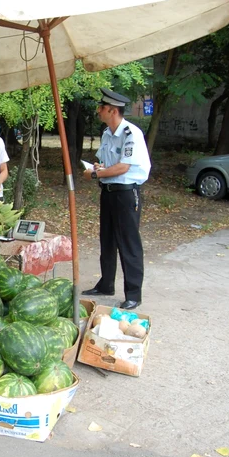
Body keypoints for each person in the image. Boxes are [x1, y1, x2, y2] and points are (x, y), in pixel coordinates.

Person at [82, 88, 151, 310]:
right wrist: (98, 168)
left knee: (129, 243)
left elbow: (122, 167)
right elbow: (106, 163)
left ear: (112, 110)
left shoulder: (131, 133)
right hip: (109, 192)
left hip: (126, 193)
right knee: (107, 240)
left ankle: (133, 293)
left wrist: (95, 173)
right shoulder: (106, 133)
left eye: (101, 108)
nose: (98, 111)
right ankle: (106, 284)